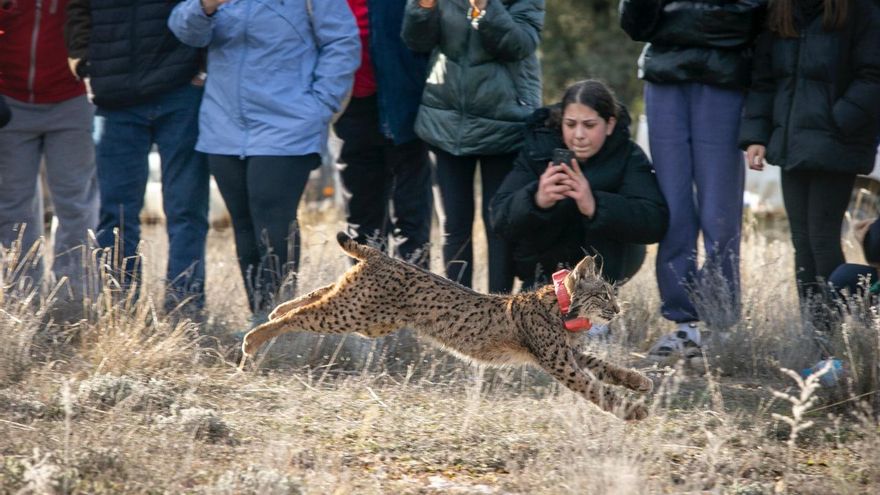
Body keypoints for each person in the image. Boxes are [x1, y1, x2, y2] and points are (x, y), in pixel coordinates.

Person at [168, 0, 360, 319]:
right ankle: (259, 317)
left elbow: (343, 42)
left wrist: (320, 105)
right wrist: (205, 6)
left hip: (288, 123)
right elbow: (185, 31)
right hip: (223, 124)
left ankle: (281, 317)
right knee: (243, 224)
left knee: (272, 221)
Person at [619, 0, 766, 360]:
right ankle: (684, 326)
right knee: (674, 209)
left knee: (720, 211)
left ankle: (720, 328)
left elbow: (746, 19)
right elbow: (635, 23)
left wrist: (675, 21)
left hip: (724, 85)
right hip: (664, 83)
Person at [65, 0, 210, 318]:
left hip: (180, 91)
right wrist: (83, 62)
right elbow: (77, 9)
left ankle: (183, 313)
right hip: (115, 97)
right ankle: (117, 313)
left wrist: (204, 65)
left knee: (186, 210)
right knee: (115, 215)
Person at [739, 0, 880, 324]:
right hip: (793, 144)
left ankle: (839, 338)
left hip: (836, 144)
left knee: (822, 240)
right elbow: (765, 78)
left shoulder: (860, 9)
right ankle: (814, 335)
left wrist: (838, 120)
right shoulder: (782, 9)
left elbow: (873, 75)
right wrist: (757, 135)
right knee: (801, 243)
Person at [402, 0, 544, 294]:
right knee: (454, 228)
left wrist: (484, 7)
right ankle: (460, 318)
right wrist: (423, 7)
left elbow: (520, 45)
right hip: (447, 122)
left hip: (505, 122)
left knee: (498, 225)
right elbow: (416, 41)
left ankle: (499, 316)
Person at [491, 79, 668, 292]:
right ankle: (515, 299)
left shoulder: (628, 156)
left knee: (607, 220)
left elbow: (654, 221)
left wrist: (595, 206)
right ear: (561, 121)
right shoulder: (538, 150)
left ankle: (596, 306)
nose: (579, 135)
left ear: (609, 124)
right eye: (571, 124)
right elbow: (498, 216)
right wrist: (536, 199)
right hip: (545, 264)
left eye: (589, 125)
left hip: (606, 267)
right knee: (514, 218)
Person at [0, 0, 98, 312]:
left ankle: (72, 300)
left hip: (72, 99)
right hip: (10, 102)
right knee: (13, 204)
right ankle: (19, 300)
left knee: (75, 202)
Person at [335, 0, 433, 268]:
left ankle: (415, 302)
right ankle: (365, 303)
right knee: (362, 221)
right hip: (354, 108)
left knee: (411, 216)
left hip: (406, 103)